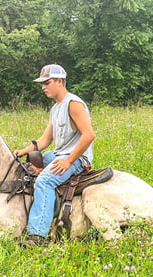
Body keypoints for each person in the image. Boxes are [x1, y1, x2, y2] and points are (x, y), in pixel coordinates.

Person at [13, 64, 95, 247]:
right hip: (57, 153)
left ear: (60, 81)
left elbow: (89, 134)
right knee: (25, 167)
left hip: (75, 158)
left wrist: (69, 161)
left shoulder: (73, 104)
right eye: (42, 83)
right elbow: (45, 140)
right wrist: (23, 151)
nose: (43, 87)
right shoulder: (55, 108)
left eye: (47, 82)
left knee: (44, 181)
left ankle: (38, 235)